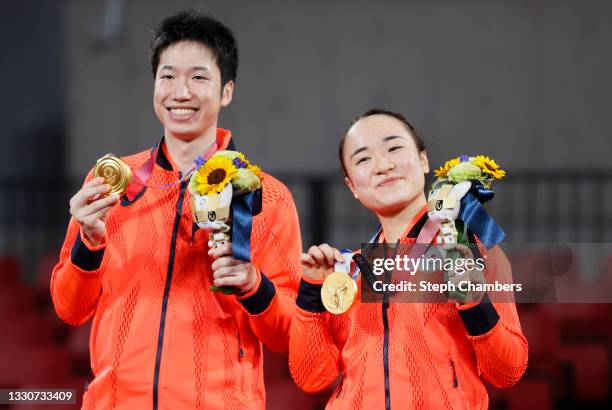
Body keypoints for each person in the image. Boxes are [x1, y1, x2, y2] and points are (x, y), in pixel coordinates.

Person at [51, 11, 301, 410]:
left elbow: (291, 335)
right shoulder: (112, 182)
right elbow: (70, 309)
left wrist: (255, 284)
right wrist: (89, 242)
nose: (180, 92)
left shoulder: (265, 197)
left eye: (199, 77)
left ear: (227, 91)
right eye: (167, 77)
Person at [289, 109, 528, 409]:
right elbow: (310, 377)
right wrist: (310, 292)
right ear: (352, 186)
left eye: (394, 147)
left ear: (423, 160)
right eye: (363, 159)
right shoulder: (349, 271)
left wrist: (475, 302)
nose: (383, 165)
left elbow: (508, 371)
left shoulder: (471, 249)